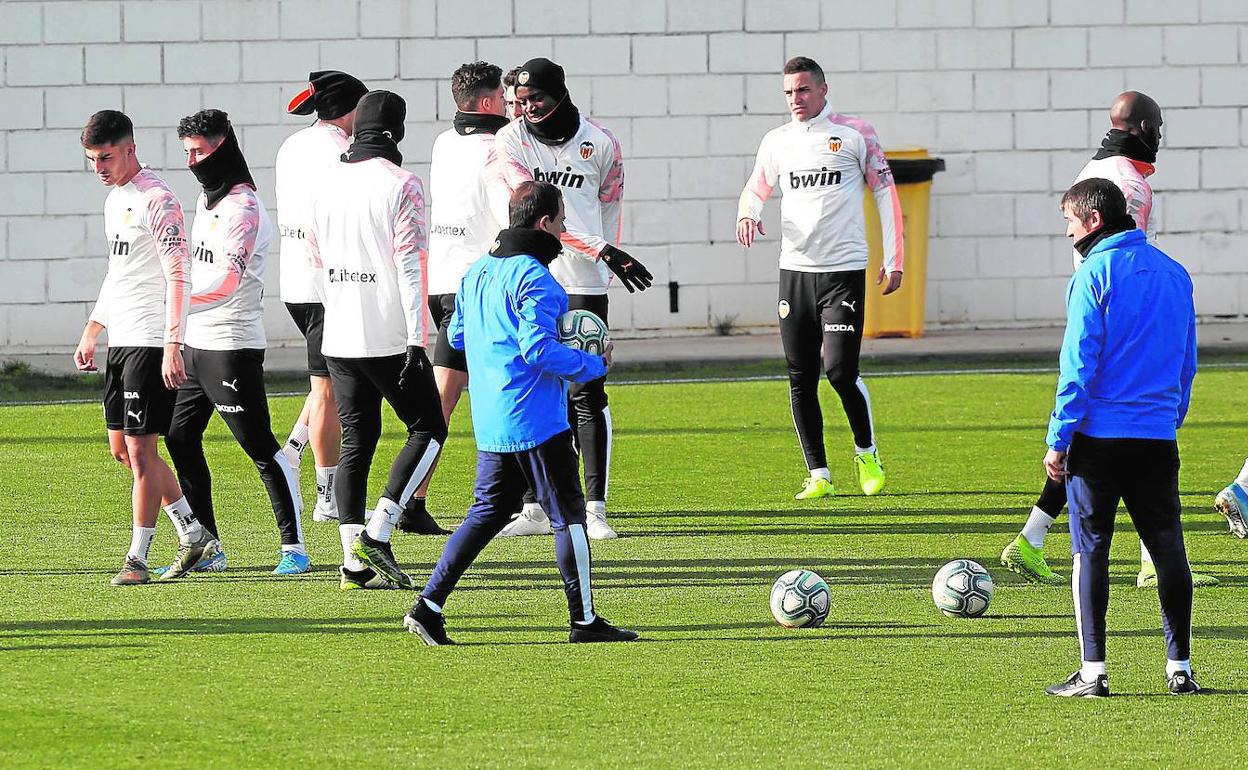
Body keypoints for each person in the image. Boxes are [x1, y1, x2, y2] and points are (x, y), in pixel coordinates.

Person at [403, 181, 638, 645]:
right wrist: (593, 362)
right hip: (537, 421)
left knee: (485, 514)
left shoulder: (476, 273)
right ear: (544, 223)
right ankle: (585, 620)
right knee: (569, 517)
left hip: (491, 420)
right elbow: (537, 350)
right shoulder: (538, 280)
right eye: (563, 222)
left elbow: (458, 338)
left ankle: (427, 606)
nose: (565, 230)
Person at [1001, 91, 1217, 589]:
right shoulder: (1127, 186)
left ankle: (1032, 538)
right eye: (1158, 127)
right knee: (1123, 434)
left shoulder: (1106, 168)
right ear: (1142, 126)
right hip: (1121, 317)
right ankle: (1142, 562)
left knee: (1096, 431)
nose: (1161, 137)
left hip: (1102, 310)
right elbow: (1126, 258)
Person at [1043, 178, 1199, 697]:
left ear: (1092, 221)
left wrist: (1058, 438)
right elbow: (1186, 362)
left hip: (1098, 440)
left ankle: (1094, 673)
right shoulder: (1176, 274)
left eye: (1069, 219)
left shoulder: (1094, 273)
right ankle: (1179, 668)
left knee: (1091, 552)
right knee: (1168, 549)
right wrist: (1167, 417)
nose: (1066, 229)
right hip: (1156, 437)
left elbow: (1078, 365)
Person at [494, 57, 653, 540]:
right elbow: (538, 219)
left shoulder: (600, 143)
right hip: (531, 276)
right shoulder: (510, 141)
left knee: (587, 390)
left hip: (584, 281)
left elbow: (609, 208)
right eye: (519, 102)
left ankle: (595, 508)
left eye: (535, 99)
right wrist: (606, 250)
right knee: (535, 388)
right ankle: (535, 508)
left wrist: (604, 265)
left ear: (559, 93)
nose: (526, 109)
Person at [736, 56, 901, 500]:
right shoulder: (776, 141)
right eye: (789, 92)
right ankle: (819, 473)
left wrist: (894, 257)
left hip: (843, 270)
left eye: (804, 90)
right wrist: (748, 213)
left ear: (824, 90)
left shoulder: (854, 134)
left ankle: (866, 452)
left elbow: (886, 193)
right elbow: (756, 187)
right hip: (794, 271)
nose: (796, 100)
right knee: (799, 375)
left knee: (841, 371)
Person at [305, 90, 449, 590]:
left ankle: (352, 565)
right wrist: (416, 336)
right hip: (389, 334)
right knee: (429, 428)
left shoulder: (324, 183)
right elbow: (411, 265)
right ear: (397, 130)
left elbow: (314, 261)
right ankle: (380, 530)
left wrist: (339, 308)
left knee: (356, 443)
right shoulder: (403, 183)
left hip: (338, 332)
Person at [162, 109, 308, 576]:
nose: (192, 161)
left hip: (232, 344)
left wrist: (175, 306)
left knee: (261, 448)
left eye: (200, 151)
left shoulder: (243, 208)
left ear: (224, 147)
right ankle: (209, 546)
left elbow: (226, 282)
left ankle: (295, 549)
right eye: (187, 153)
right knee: (179, 437)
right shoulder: (206, 201)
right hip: (195, 344)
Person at [75, 110, 212, 585]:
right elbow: (119, 273)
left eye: (105, 157)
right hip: (122, 340)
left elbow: (179, 273)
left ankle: (137, 558)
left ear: (129, 148)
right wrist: (94, 328)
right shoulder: (116, 200)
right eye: (92, 159)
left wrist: (174, 342)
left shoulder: (159, 199)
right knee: (124, 450)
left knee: (140, 450)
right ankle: (195, 534)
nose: (98, 167)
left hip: (151, 341)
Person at [394, 61, 510, 536]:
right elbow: (509, 216)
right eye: (502, 97)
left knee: (443, 396)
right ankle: (521, 498)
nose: (508, 104)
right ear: (486, 104)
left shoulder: (445, 141)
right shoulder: (498, 147)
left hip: (442, 282)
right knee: (506, 385)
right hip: (480, 285)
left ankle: (410, 498)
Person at [276, 70, 369, 524]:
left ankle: (293, 449)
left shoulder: (292, 145)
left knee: (329, 383)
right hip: (326, 284)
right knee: (330, 390)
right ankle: (327, 498)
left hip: (295, 282)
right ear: (350, 110)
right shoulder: (340, 151)